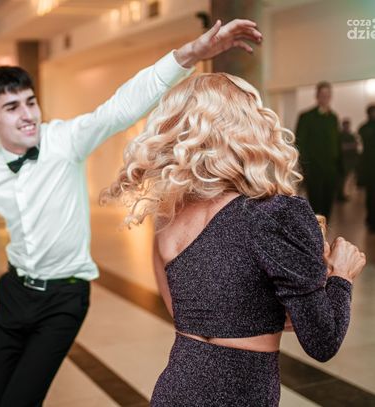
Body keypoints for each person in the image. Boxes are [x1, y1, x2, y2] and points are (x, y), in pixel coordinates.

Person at [0, 19, 263, 406]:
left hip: (64, 299)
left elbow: (123, 105)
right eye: (12, 108)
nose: (27, 116)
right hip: (13, 294)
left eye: (30, 102)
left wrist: (190, 54)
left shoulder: (64, 141)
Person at [101, 73, 366, 406]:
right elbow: (323, 342)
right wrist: (341, 276)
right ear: (250, 128)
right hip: (240, 396)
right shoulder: (275, 213)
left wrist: (272, 311)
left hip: (176, 389)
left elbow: (198, 314)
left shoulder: (167, 216)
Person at [296, 81, 342, 218]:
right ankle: (316, 231)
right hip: (314, 170)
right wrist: (305, 167)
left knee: (328, 205)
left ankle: (325, 230)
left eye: (328, 94)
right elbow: (300, 143)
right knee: (315, 206)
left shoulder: (333, 117)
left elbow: (337, 143)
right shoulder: (306, 117)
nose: (325, 97)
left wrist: (339, 167)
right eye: (322, 94)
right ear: (317, 96)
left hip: (331, 170)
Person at [358, 104, 375, 232]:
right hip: (369, 166)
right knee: (371, 195)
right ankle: (371, 220)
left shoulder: (364, 128)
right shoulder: (364, 128)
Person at [336, 118, 360, 201]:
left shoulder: (351, 135)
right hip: (343, 161)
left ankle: (343, 194)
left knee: (347, 179)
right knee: (341, 179)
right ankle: (340, 195)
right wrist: (352, 145)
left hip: (350, 161)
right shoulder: (340, 136)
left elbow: (355, 146)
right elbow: (342, 147)